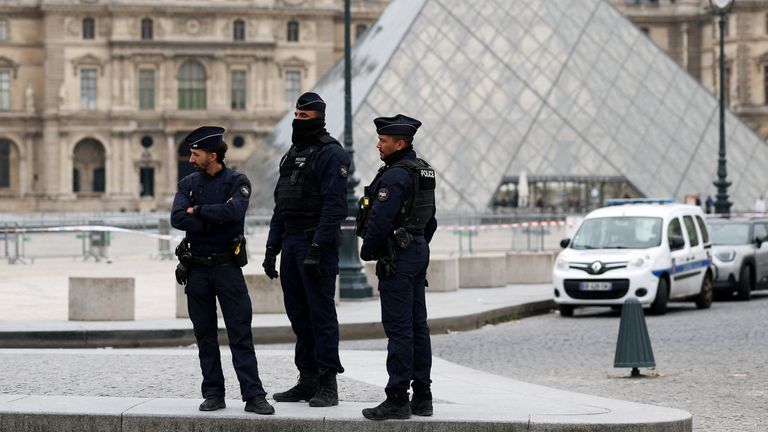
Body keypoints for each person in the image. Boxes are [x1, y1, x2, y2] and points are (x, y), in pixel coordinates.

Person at [171, 126, 274, 415]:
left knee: (240, 333)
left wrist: (198, 211)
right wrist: (212, 215)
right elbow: (177, 218)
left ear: (213, 155)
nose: (190, 159)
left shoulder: (237, 181)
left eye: (196, 154)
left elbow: (234, 214)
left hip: (228, 267)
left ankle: (253, 395)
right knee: (204, 335)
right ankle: (213, 393)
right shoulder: (188, 183)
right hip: (197, 268)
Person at [262, 92, 349, 407]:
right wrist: (272, 248)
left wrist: (317, 247)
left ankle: (328, 383)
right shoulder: (291, 154)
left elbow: (335, 207)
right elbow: (281, 204)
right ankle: (307, 378)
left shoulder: (331, 154)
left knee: (321, 315)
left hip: (316, 244)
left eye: (304, 119)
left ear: (319, 119)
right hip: (292, 243)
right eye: (296, 117)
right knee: (298, 315)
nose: (298, 123)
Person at [356, 114, 437, 421]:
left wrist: (370, 250)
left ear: (400, 143)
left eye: (384, 141)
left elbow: (379, 220)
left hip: (398, 257)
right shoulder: (423, 170)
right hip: (416, 250)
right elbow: (431, 219)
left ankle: (397, 399)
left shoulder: (394, 176)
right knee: (419, 326)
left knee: (399, 329)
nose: (378, 145)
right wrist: (416, 242)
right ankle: (423, 397)